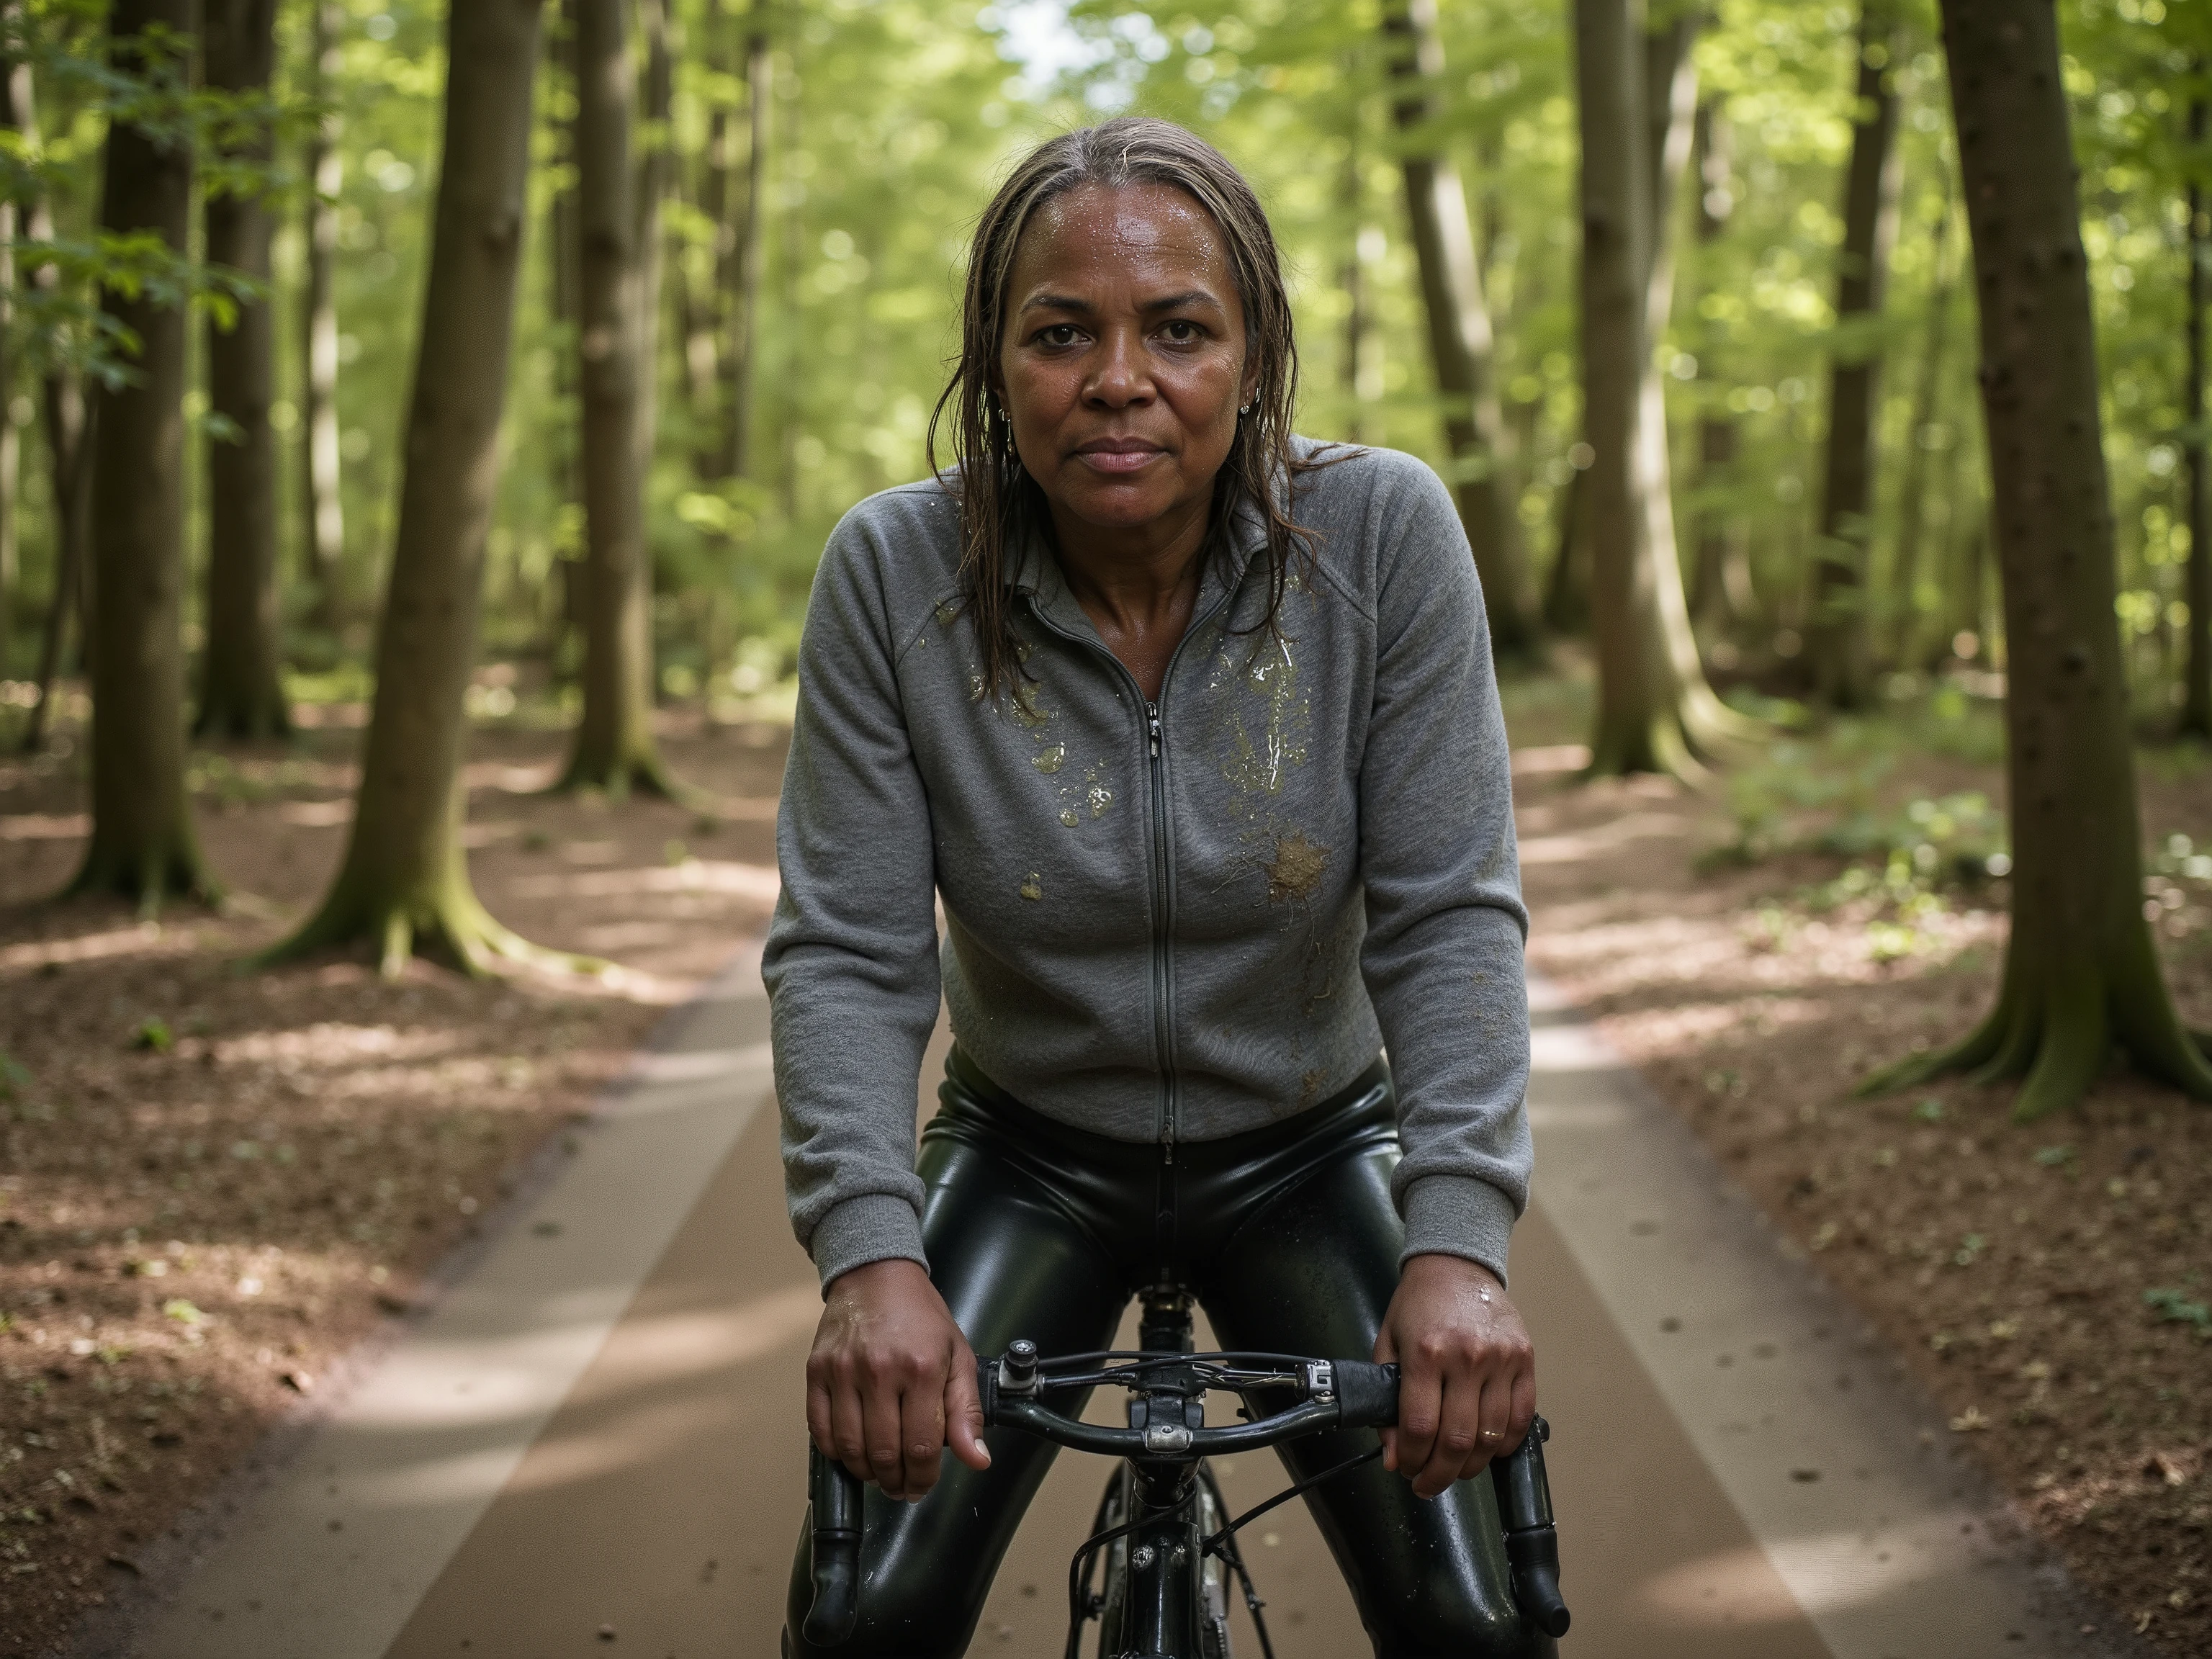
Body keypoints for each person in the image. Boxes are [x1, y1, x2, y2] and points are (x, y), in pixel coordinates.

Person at [768, 116, 1538, 1658]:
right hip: (1030, 1146)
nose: (1119, 377)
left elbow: (1449, 906)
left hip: (1312, 1145)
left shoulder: (1382, 539)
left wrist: (1457, 1246)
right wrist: (869, 1261)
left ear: (1252, 357)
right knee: (866, 1612)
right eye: (1063, 333)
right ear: (997, 363)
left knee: (1481, 1618)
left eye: (1178, 328)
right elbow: (849, 951)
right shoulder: (893, 576)